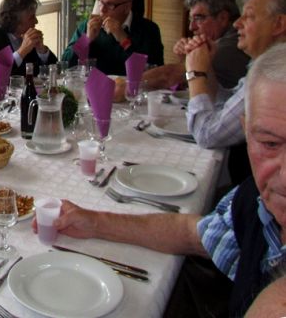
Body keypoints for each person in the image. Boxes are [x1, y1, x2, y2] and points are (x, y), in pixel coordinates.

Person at [37, 41, 286, 317]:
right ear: (245, 132)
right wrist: (94, 221)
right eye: (270, 143)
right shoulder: (252, 204)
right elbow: (195, 234)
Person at [185, 0, 286, 150]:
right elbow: (228, 102)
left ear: (279, 24)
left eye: (249, 16)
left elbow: (208, 135)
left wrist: (195, 73)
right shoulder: (265, 63)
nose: (236, 23)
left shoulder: (274, 74)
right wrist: (207, 68)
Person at [141, 0, 250, 90]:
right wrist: (185, 57)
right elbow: (188, 80)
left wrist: (129, 85)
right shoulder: (220, 41)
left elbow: (169, 76)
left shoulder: (229, 47)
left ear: (223, 18)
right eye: (190, 19)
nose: (191, 27)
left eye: (198, 18)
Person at [62, 0, 164, 75]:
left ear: (127, 8)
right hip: (95, 91)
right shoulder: (88, 26)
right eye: (101, 2)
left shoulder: (149, 30)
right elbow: (65, 63)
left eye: (110, 5)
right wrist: (86, 40)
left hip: (132, 92)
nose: (102, 9)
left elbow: (155, 72)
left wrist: (123, 39)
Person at [0, 0, 57, 92]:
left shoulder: (28, 38)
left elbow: (55, 70)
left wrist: (42, 51)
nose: (36, 21)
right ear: (14, 20)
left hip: (19, 98)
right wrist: (22, 51)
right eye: (31, 17)